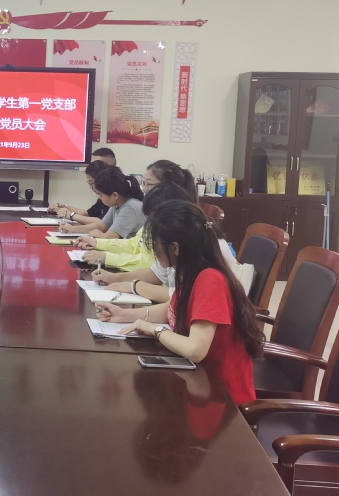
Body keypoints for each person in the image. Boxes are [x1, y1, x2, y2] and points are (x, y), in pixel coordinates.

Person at [95, 200, 264, 405]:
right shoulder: (189, 270)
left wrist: (155, 330)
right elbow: (173, 308)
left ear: (174, 248)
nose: (153, 250)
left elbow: (195, 350)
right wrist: (124, 315)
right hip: (198, 381)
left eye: (155, 244)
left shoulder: (209, 280)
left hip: (221, 398)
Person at [90, 182, 250, 302]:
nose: (151, 226)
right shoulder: (177, 240)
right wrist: (116, 278)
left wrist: (135, 286)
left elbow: (182, 296)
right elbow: (157, 273)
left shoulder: (200, 243)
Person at [76, 159, 196, 270]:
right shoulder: (155, 214)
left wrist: (107, 258)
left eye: (149, 184)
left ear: (167, 187)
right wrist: (97, 243)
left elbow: (150, 264)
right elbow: (134, 244)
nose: (144, 189)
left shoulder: (174, 221)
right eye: (144, 183)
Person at [60, 165, 144, 238]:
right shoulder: (116, 204)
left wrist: (100, 235)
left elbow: (110, 237)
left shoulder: (130, 207)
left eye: (101, 195)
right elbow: (102, 225)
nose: (100, 198)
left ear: (114, 195)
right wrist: (73, 229)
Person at [48, 156, 114, 221]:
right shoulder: (102, 198)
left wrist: (71, 216)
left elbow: (102, 223)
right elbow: (87, 214)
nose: (91, 188)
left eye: (91, 183)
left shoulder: (111, 197)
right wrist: (64, 207)